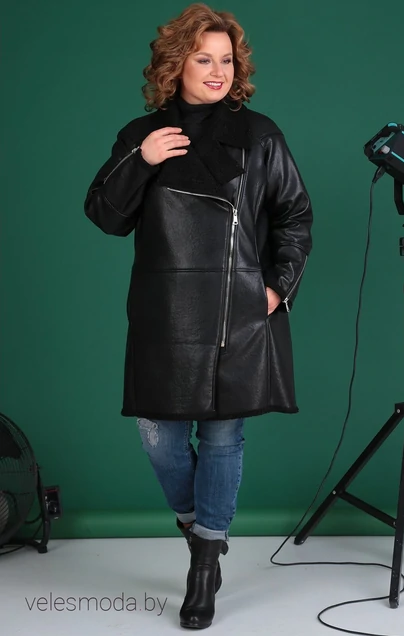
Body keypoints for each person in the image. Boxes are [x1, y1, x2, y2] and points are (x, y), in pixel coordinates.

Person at [84, 2, 312, 629]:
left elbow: (294, 213)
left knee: (221, 436)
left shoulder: (260, 133)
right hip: (166, 310)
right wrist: (143, 159)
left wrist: (277, 287)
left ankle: (205, 561)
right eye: (203, 58)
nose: (217, 71)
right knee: (158, 435)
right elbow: (105, 216)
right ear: (175, 65)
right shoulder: (142, 134)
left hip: (236, 311)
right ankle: (197, 527)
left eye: (226, 60)